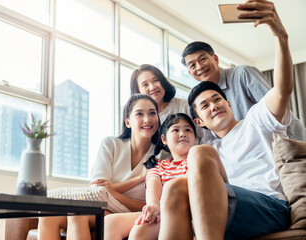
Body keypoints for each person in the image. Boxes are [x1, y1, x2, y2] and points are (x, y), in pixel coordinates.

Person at [159, 1, 292, 239]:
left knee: (199, 153)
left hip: (267, 205)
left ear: (228, 104)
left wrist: (280, 37)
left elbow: (282, 91)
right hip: (224, 205)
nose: (214, 105)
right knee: (173, 187)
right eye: (205, 105)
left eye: (217, 99)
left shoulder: (256, 120)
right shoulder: (212, 149)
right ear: (199, 121)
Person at [38, 94, 159, 240]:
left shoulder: (162, 155)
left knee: (80, 210)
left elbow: (153, 206)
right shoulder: (111, 144)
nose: (147, 119)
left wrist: (113, 192)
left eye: (152, 113)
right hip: (102, 209)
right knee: (47, 214)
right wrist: (138, 179)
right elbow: (99, 189)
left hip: (129, 214)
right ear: (127, 122)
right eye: (139, 114)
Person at [180, 6, 306, 142]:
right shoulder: (203, 101)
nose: (199, 67)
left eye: (203, 59)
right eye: (192, 65)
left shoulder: (243, 74)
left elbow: (276, 106)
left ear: (215, 59)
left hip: (287, 140)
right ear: (190, 73)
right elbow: (211, 138)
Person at [104, 113, 210, 240]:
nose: (182, 133)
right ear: (164, 139)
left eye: (188, 130)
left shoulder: (197, 158)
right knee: (109, 222)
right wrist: (153, 206)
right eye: (175, 130)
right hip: (161, 212)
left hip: (187, 213)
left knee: (140, 232)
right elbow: (153, 184)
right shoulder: (158, 165)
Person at [130, 64, 213, 144]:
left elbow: (206, 136)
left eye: (155, 80)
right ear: (138, 91)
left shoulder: (185, 105)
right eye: (145, 85)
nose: (152, 87)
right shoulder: (139, 119)